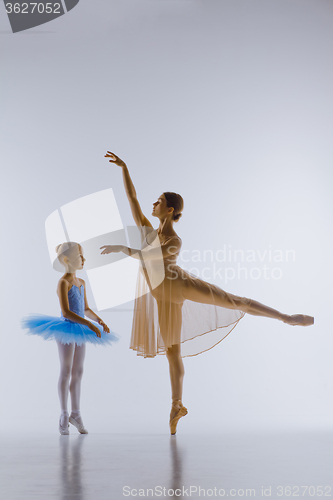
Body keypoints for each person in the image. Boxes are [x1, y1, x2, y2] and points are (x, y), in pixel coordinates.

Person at [101, 151, 314, 435]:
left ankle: (287, 317)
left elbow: (148, 259)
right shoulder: (149, 231)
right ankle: (177, 404)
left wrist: (122, 249)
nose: (153, 203)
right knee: (173, 353)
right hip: (162, 298)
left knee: (235, 301)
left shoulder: (173, 240)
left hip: (179, 285)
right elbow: (133, 199)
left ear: (169, 210)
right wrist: (124, 169)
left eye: (160, 201)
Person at [22, 242, 118, 435]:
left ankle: (76, 413)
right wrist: (88, 324)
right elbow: (66, 312)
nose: (84, 259)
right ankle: (64, 414)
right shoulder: (63, 282)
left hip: (81, 329)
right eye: (80, 256)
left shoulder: (81, 282)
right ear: (67, 260)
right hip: (67, 328)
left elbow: (86, 309)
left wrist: (98, 320)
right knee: (66, 370)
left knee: (78, 371)